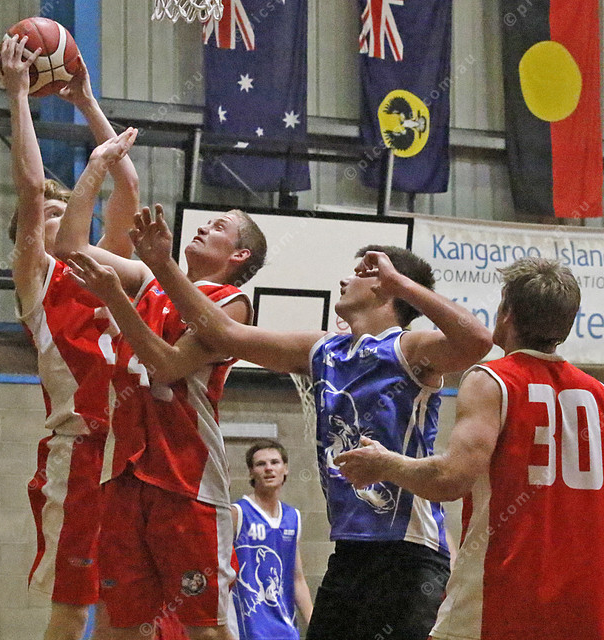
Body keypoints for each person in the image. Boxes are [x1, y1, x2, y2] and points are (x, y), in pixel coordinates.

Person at [122, 210, 494, 640]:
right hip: (348, 550)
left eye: (358, 273)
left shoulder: (409, 347)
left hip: (408, 550)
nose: (344, 280)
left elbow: (477, 341)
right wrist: (162, 264)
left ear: (385, 286)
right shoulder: (322, 350)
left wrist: (404, 284)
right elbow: (223, 333)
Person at [335, 257, 604, 640]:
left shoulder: (492, 379)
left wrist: (384, 464)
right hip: (584, 605)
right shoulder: (597, 394)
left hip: (502, 595)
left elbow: (450, 479)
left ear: (506, 313)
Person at [64, 200, 267, 639]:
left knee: (205, 628)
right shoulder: (147, 283)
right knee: (120, 626)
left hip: (186, 478)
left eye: (219, 226)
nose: (203, 227)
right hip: (125, 473)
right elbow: (69, 246)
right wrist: (102, 169)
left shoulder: (231, 305)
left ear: (239, 254)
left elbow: (168, 367)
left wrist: (115, 298)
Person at [0, 35, 139, 640]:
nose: (57, 215)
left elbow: (128, 190)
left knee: (125, 606)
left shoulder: (104, 268)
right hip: (78, 451)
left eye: (67, 210)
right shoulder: (37, 279)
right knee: (73, 607)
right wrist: (17, 95)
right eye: (49, 217)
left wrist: (86, 101)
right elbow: (32, 189)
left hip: (132, 447)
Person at [228, 440, 313, 640]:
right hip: (246, 626)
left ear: (285, 469)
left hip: (285, 626)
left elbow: (297, 578)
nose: (268, 468)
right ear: (251, 472)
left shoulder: (293, 517)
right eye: (261, 464)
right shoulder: (237, 513)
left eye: (274, 462)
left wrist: (314, 624)